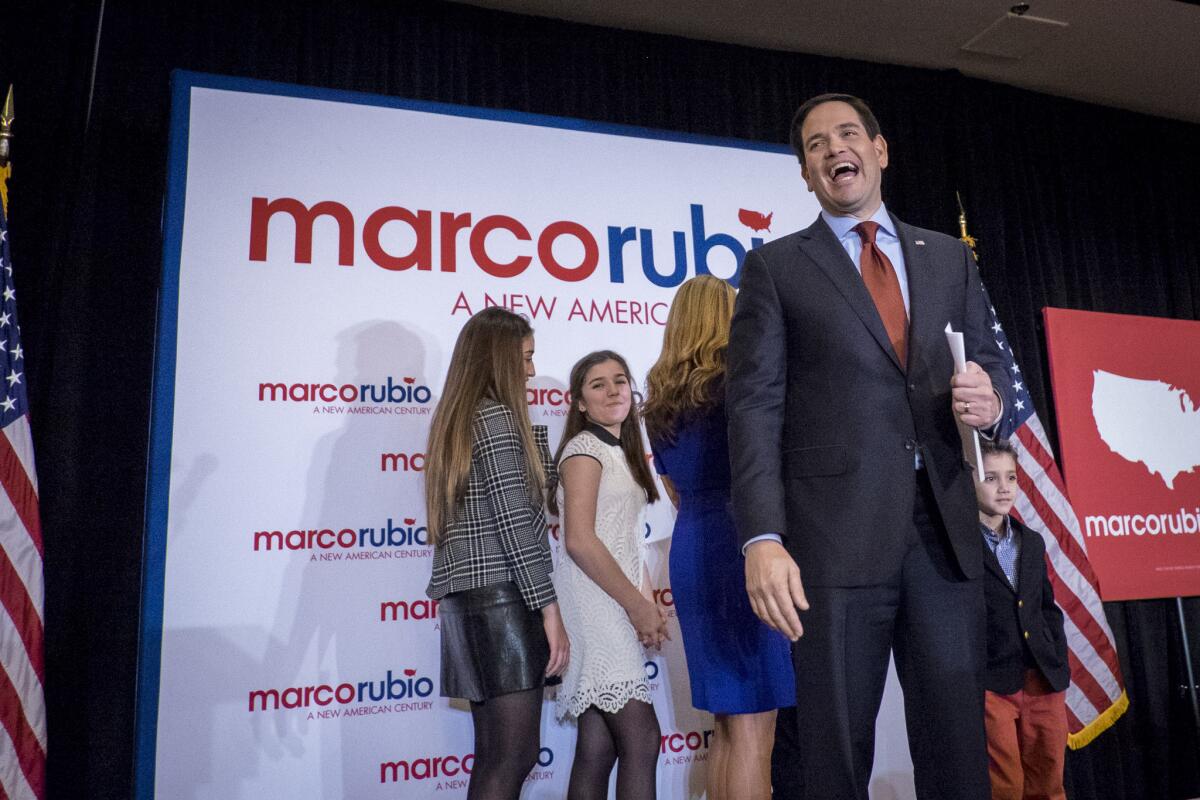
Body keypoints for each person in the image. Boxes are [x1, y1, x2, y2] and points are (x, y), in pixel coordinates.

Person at [727, 93, 1015, 799]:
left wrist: (993, 400)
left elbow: (990, 361)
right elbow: (754, 407)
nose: (833, 151)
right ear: (805, 174)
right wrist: (762, 536)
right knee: (833, 757)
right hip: (832, 543)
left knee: (957, 753)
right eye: (816, 145)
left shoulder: (948, 258)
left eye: (847, 135)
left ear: (880, 150)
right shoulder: (777, 268)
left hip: (945, 533)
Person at [642, 275, 795, 800]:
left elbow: (675, 492)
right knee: (755, 727)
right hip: (744, 548)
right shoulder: (739, 385)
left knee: (731, 728)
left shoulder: (660, 399)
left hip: (692, 551)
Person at [424, 307, 570, 800]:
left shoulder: (460, 420)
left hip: (468, 602)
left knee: (494, 757)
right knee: (513, 757)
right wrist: (549, 610)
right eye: (525, 358)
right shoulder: (497, 418)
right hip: (505, 601)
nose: (530, 370)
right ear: (500, 359)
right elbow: (515, 524)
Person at [546, 350, 666, 800]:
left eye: (620, 380)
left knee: (598, 746)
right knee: (641, 738)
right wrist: (637, 606)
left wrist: (645, 601)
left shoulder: (619, 452)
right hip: (594, 600)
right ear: (579, 402)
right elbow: (579, 540)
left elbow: (624, 539)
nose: (613, 390)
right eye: (598, 384)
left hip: (614, 594)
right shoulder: (583, 450)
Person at [974, 439, 1069, 800]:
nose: (1004, 488)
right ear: (970, 480)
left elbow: (1045, 605)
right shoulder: (963, 543)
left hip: (1042, 675)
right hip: (994, 680)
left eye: (1011, 477)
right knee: (1006, 784)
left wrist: (1055, 651)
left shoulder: (1031, 541)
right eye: (991, 478)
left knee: (1049, 778)